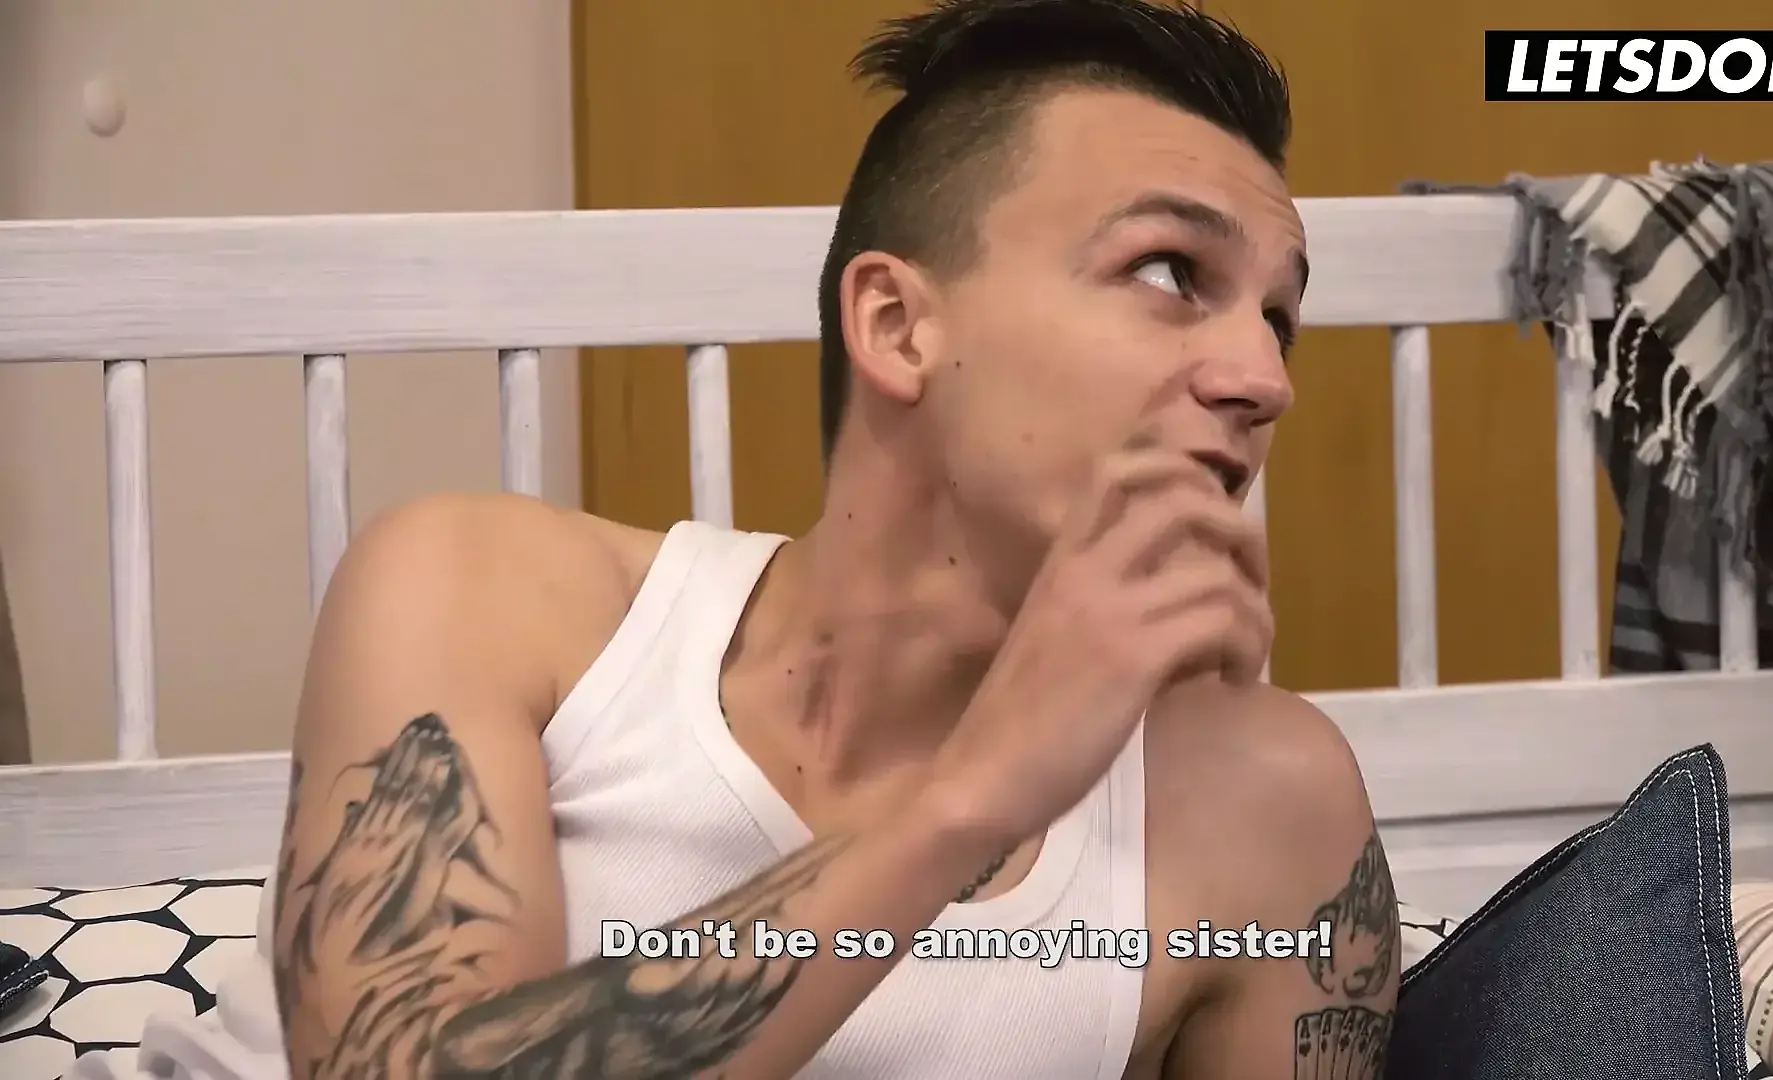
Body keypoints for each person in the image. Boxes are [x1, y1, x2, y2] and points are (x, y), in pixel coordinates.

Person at [83, 1, 1399, 1077]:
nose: (1261, 379)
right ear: (897, 327)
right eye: (1170, 271)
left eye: (1277, 319)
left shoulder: (1263, 806)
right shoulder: (485, 594)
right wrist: (972, 795)